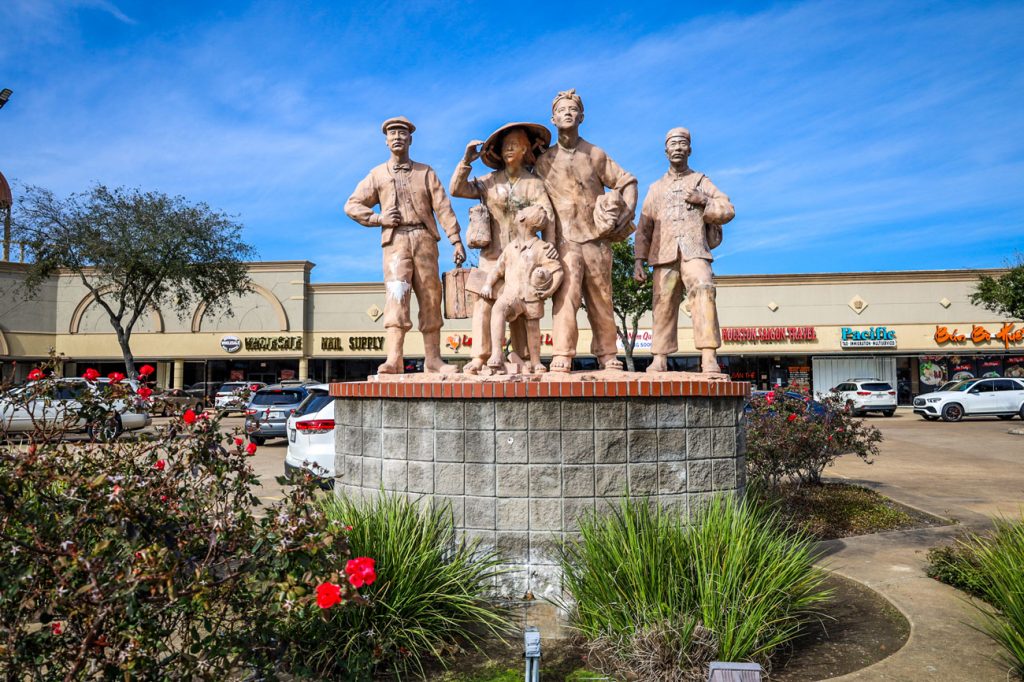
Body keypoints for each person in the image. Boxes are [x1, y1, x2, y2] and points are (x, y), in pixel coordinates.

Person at [344, 116, 467, 374]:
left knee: (431, 297)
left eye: (402, 133)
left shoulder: (426, 172)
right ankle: (394, 359)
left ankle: (433, 359)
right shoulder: (377, 174)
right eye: (392, 133)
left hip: (424, 240)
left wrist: (456, 240)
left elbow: (443, 207)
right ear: (386, 141)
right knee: (396, 296)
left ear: (410, 139)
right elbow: (352, 205)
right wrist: (379, 218)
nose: (397, 137)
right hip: (396, 242)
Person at [534, 89, 638, 372]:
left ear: (581, 116)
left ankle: (607, 354)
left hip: (595, 239)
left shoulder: (595, 154)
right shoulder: (544, 161)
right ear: (552, 118)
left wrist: (623, 216)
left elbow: (627, 182)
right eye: (561, 109)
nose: (567, 113)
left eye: (572, 109)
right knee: (565, 296)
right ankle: (562, 353)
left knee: (601, 297)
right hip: (563, 240)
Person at [449, 123, 555, 374]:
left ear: (525, 149)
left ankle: (522, 356)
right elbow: (456, 189)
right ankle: (480, 356)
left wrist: (548, 248)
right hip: (491, 255)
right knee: (483, 304)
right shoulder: (489, 181)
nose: (509, 148)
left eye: (515, 144)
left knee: (521, 306)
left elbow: (547, 216)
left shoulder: (534, 183)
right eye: (505, 145)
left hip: (523, 256)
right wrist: (466, 161)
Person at [633, 127, 735, 374]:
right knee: (662, 302)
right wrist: (639, 260)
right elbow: (644, 227)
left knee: (703, 289)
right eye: (673, 144)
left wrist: (704, 200)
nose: (677, 148)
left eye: (682, 144)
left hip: (694, 251)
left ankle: (709, 355)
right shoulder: (655, 188)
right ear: (665, 151)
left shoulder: (701, 181)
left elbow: (727, 208)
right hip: (664, 255)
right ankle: (659, 357)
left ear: (689, 149)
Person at [479, 206, 563, 374]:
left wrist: (549, 291)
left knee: (533, 328)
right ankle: (496, 352)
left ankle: (535, 360)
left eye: (519, 213)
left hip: (532, 297)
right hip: (511, 295)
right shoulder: (510, 248)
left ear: (523, 220)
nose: (516, 215)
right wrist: (488, 284)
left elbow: (557, 271)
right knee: (498, 309)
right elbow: (497, 269)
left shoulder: (541, 247)